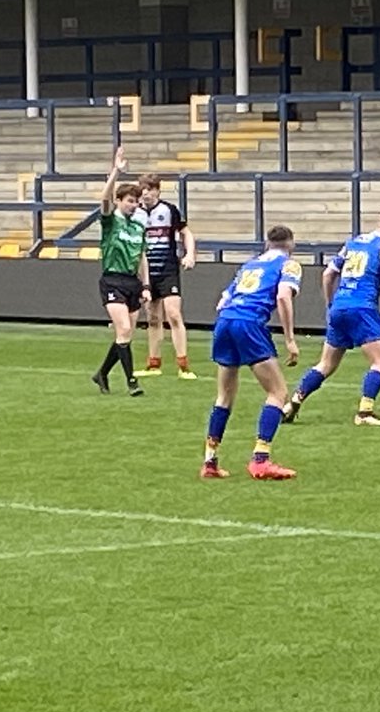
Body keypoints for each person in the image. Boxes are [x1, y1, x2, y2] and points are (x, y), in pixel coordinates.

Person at [281, 207, 380, 427]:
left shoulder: (353, 243)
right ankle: (365, 413)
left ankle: (293, 402)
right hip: (363, 308)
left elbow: (328, 274)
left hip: (339, 307)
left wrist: (331, 303)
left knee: (326, 364)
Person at [201, 225, 302, 480]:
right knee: (278, 392)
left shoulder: (250, 265)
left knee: (224, 396)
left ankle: (210, 462)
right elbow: (282, 297)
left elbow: (221, 301)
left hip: (225, 321)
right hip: (249, 323)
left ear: (267, 243)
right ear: (290, 244)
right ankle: (261, 460)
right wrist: (290, 338)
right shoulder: (289, 264)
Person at [91, 147, 151, 397]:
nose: (133, 205)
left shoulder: (138, 225)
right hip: (113, 280)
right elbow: (104, 200)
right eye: (129, 201)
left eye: (136, 201)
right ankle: (132, 381)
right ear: (119, 201)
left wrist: (146, 285)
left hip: (132, 282)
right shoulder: (110, 220)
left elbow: (141, 256)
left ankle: (102, 373)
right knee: (124, 329)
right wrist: (116, 170)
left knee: (124, 335)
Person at [132, 173, 197, 379]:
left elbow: (186, 232)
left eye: (150, 189)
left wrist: (190, 254)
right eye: (143, 190)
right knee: (152, 317)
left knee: (174, 314)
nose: (146, 194)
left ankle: (183, 364)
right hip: (147, 272)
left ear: (158, 190)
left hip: (168, 269)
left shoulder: (169, 210)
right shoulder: (135, 213)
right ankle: (153, 363)